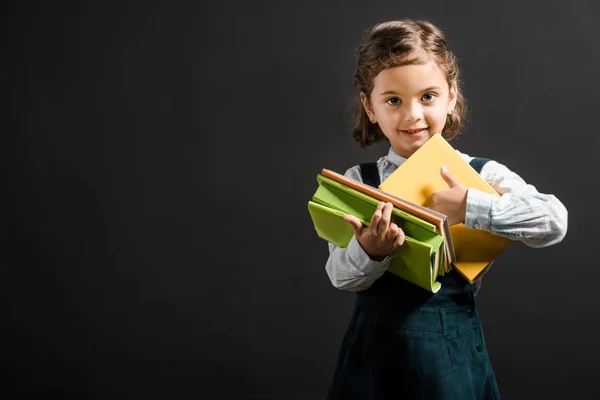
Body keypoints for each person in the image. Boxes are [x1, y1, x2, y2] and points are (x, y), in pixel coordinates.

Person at [325, 19, 568, 399]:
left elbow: (555, 221)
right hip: (373, 357)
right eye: (393, 100)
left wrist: (473, 206)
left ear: (451, 96)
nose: (412, 116)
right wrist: (370, 251)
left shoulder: (478, 174)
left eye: (427, 96)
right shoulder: (358, 180)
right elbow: (340, 276)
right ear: (369, 107)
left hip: (450, 356)